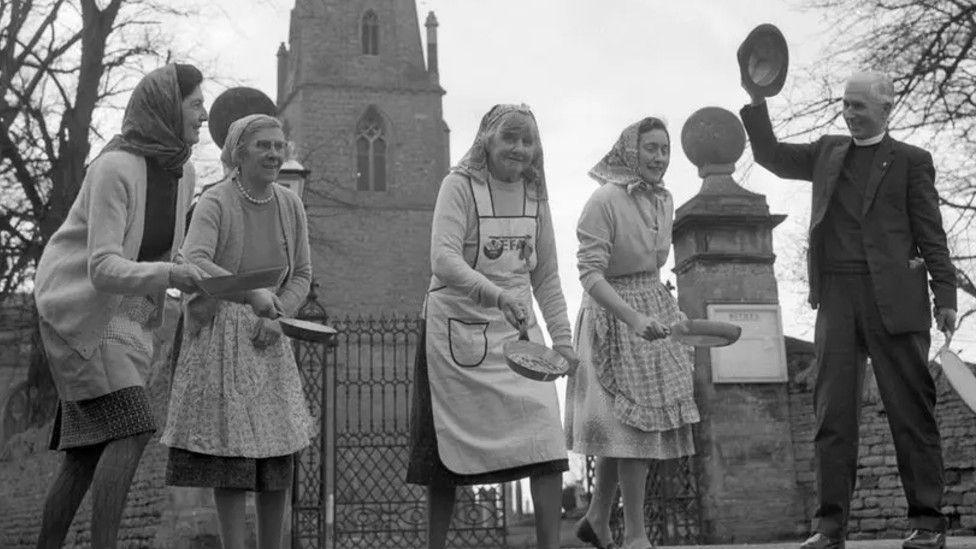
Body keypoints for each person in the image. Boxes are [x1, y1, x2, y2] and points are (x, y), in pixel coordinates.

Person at [740, 72, 956, 549]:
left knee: (910, 414)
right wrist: (756, 98)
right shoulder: (826, 152)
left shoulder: (912, 162)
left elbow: (931, 235)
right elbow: (770, 154)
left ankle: (927, 522)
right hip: (836, 299)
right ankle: (829, 527)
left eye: (859, 105)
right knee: (832, 416)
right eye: (845, 104)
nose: (849, 112)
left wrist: (946, 297)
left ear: (886, 108)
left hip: (896, 300)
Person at [32, 63, 209, 548]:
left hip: (128, 316)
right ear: (168, 108)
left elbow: (166, 255)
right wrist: (173, 274)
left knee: (85, 454)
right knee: (132, 427)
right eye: (195, 104)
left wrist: (210, 277)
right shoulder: (114, 167)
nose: (204, 114)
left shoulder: (185, 171)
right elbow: (103, 268)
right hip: (80, 311)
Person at [405, 104, 578, 549]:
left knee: (545, 437)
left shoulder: (535, 195)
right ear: (487, 139)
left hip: (519, 333)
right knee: (445, 452)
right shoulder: (458, 186)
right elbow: (443, 259)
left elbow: (546, 276)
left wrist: (563, 341)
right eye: (510, 138)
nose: (519, 149)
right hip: (456, 332)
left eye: (528, 141)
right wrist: (497, 295)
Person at [161, 113, 314, 549]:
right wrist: (252, 297)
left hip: (270, 337)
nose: (273, 153)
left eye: (279, 146)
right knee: (230, 457)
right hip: (222, 332)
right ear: (239, 152)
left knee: (276, 454)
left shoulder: (291, 205)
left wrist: (277, 311)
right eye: (263, 145)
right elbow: (196, 261)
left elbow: (301, 273)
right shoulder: (216, 201)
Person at [565, 118, 700, 549]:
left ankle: (597, 519)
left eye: (664, 149)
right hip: (611, 314)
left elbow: (654, 264)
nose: (659, 157)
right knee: (631, 430)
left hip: (651, 310)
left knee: (628, 426)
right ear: (630, 150)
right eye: (651, 148)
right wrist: (632, 318)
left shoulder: (665, 199)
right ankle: (637, 536)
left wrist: (661, 311)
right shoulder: (603, 199)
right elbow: (589, 274)